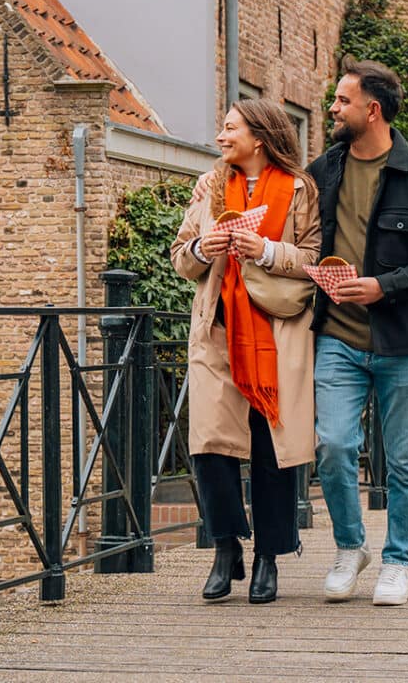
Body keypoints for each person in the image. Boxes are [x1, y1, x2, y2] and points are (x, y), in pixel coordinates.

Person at [308, 58, 408, 607]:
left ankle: (397, 562)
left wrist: (384, 286)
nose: (333, 108)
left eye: (342, 100)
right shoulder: (323, 171)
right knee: (332, 447)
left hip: (405, 345)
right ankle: (351, 548)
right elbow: (300, 239)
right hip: (337, 339)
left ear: (371, 110)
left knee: (403, 462)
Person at [171, 98, 322, 603]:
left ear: (259, 137)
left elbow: (313, 258)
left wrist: (266, 251)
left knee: (271, 447)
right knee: (211, 443)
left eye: (230, 127)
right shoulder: (211, 184)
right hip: (217, 330)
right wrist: (202, 248)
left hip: (276, 332)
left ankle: (269, 558)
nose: (220, 135)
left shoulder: (300, 189)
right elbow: (180, 257)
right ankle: (224, 546)